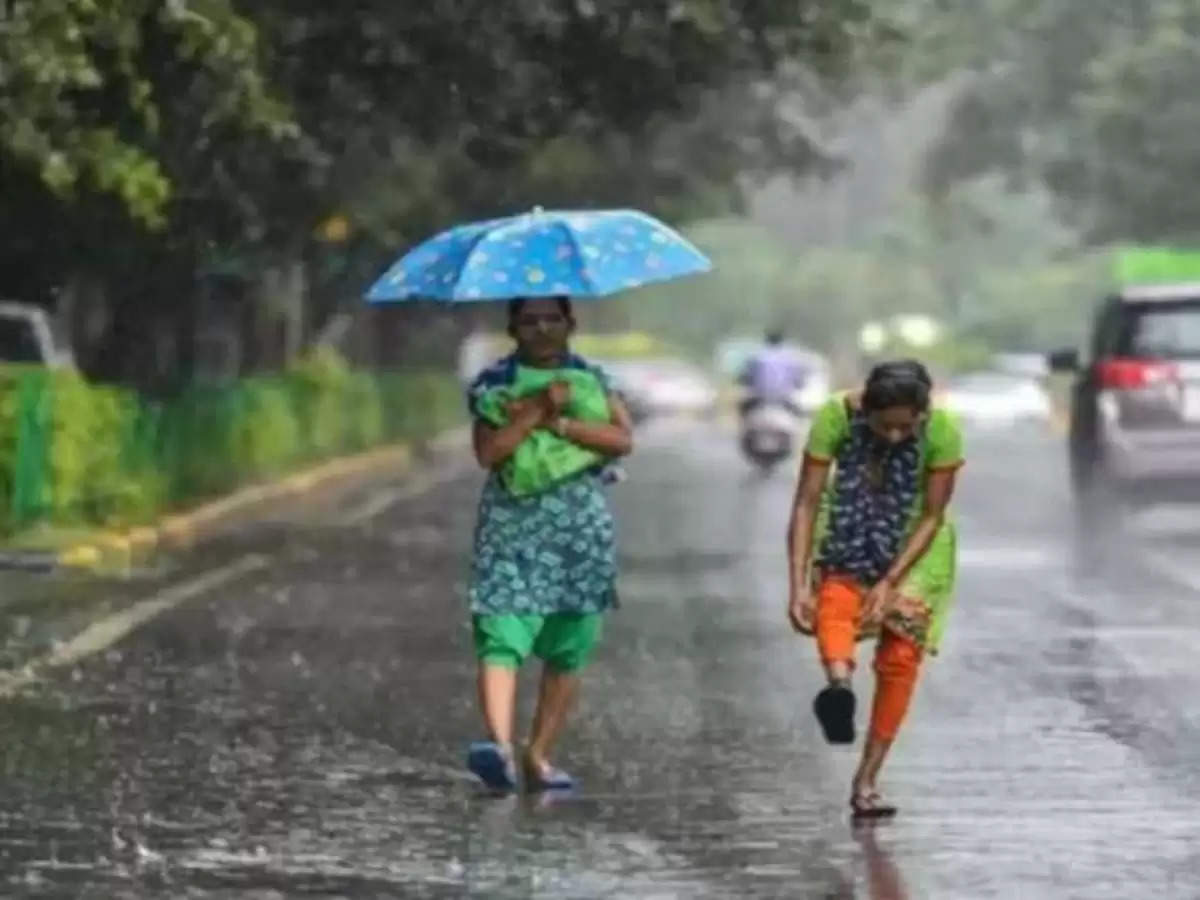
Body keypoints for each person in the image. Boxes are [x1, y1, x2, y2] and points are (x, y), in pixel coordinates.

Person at [464, 296, 634, 792]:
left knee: (569, 644)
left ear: (570, 324)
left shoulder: (595, 380)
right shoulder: (493, 386)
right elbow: (489, 452)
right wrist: (535, 409)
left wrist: (561, 422)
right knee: (500, 630)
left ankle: (538, 754)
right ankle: (500, 749)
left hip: (579, 528)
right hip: (511, 525)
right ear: (513, 326)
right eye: (529, 320)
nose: (541, 329)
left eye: (551, 319)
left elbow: (622, 441)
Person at [786, 359, 963, 819]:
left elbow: (932, 515)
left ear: (923, 414)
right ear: (864, 408)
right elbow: (806, 502)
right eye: (883, 426)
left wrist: (890, 582)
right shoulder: (834, 417)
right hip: (848, 528)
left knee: (901, 658)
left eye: (906, 428)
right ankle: (839, 689)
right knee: (833, 605)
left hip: (917, 548)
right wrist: (796, 584)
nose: (894, 437)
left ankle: (867, 781)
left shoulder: (943, 428)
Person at [739, 328, 809, 416]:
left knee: (743, 412)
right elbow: (800, 381)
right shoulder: (791, 357)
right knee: (799, 416)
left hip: (760, 398)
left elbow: (746, 377)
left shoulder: (757, 356)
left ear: (767, 340)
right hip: (785, 399)